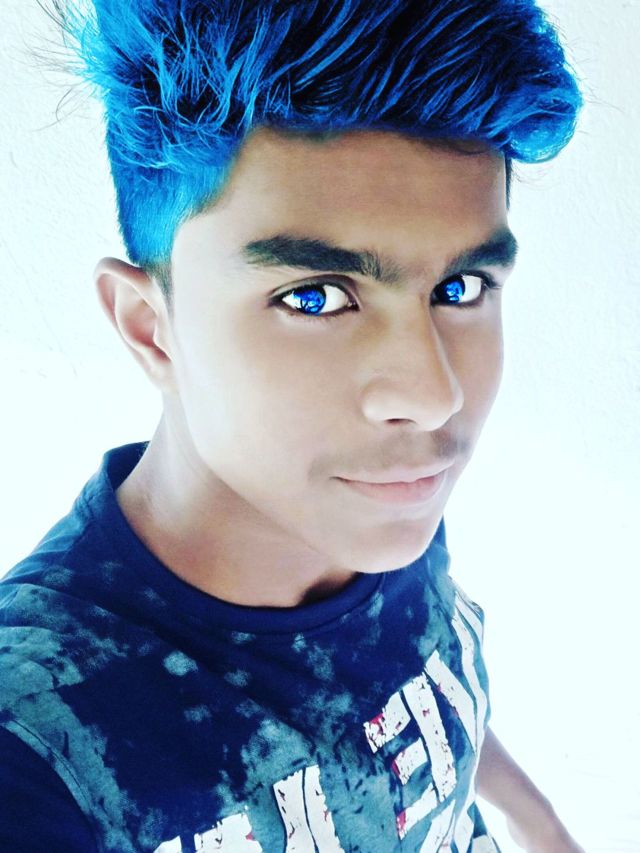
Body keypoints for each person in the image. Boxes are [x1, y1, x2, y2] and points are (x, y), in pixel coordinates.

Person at [0, 1, 586, 850]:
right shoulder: (42, 742)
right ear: (149, 327)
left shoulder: (379, 497)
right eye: (315, 297)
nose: (432, 395)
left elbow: (424, 689)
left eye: (459, 289)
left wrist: (545, 827)